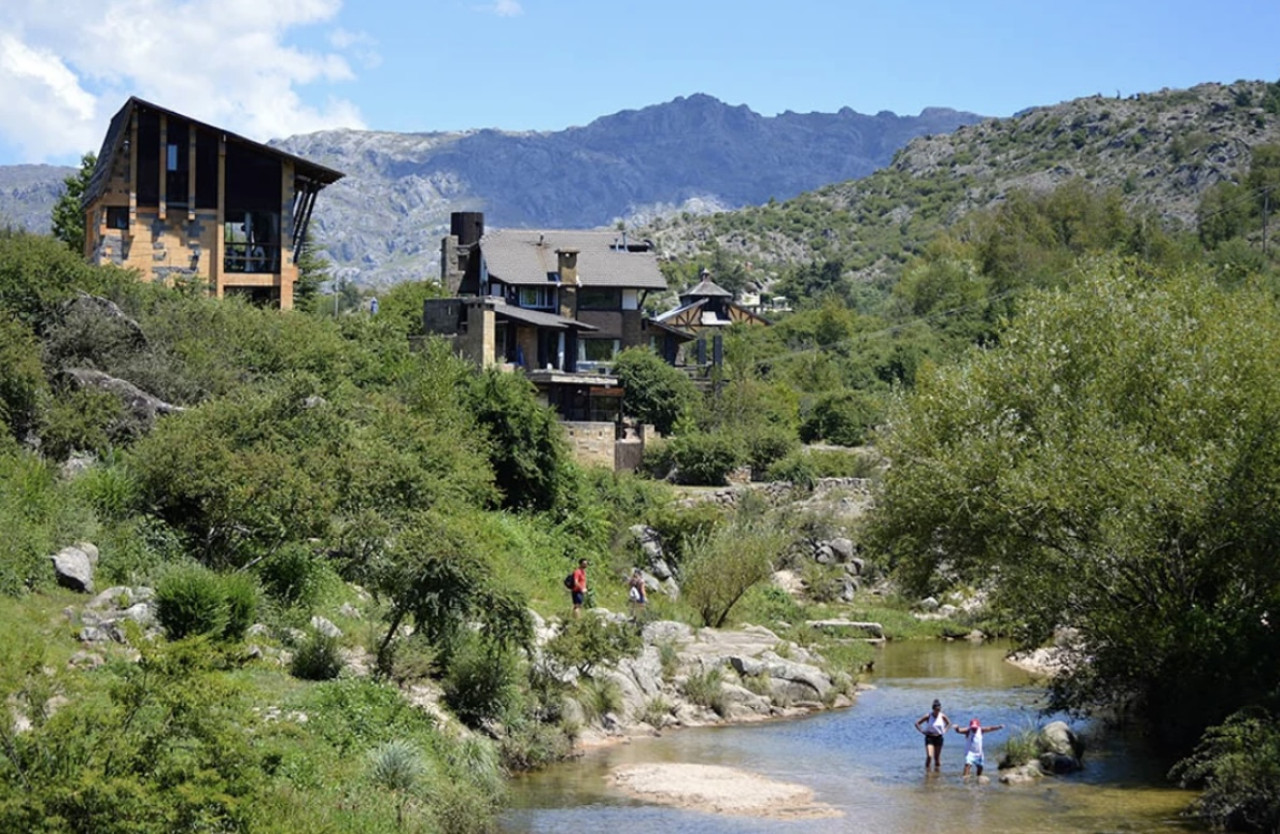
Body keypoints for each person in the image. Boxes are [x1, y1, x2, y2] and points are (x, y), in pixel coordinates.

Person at [913, 699, 951, 771]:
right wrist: (922, 731)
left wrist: (945, 730)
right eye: (936, 709)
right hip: (929, 737)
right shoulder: (928, 716)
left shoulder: (942, 716)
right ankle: (927, 772)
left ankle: (937, 774)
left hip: (939, 737)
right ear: (933, 709)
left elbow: (949, 723)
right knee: (929, 756)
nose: (938, 711)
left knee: (937, 758)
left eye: (939, 709)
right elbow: (917, 723)